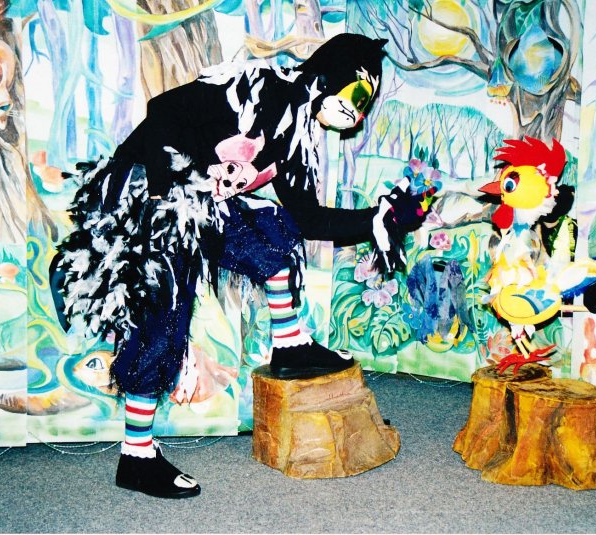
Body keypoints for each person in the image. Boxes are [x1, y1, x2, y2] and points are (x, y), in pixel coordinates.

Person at [50, 33, 429, 499]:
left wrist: (377, 219)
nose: (358, 112)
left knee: (274, 234)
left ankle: (290, 345)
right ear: (327, 77)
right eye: (356, 93)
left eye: (366, 102)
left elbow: (306, 218)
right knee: (162, 318)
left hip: (201, 203)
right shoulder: (263, 88)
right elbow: (164, 109)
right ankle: (137, 456)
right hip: (147, 193)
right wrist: (172, 191)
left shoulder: (297, 132)